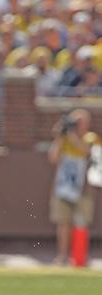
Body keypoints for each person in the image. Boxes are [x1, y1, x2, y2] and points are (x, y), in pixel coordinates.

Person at [48, 109, 94, 265]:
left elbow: (88, 153)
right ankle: (62, 256)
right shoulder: (66, 139)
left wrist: (72, 136)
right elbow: (53, 158)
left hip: (83, 189)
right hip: (64, 187)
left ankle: (79, 257)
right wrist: (60, 136)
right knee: (63, 223)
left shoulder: (90, 138)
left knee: (81, 223)